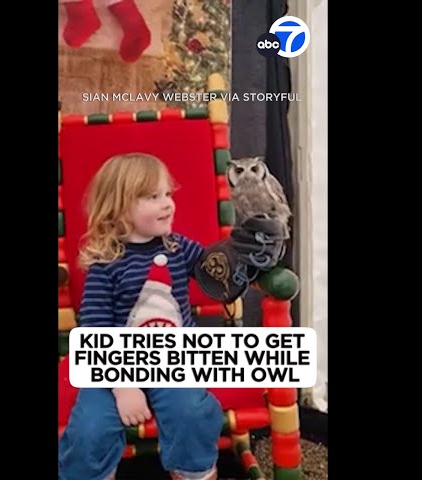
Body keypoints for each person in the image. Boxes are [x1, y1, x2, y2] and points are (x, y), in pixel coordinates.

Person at [58, 152, 286, 480]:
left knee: (192, 413)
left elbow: (214, 270)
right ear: (118, 207)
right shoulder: (105, 263)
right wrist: (122, 387)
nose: (167, 203)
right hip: (114, 367)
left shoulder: (177, 246)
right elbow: (95, 333)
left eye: (168, 194)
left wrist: (244, 256)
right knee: (90, 429)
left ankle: (193, 473)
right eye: (153, 197)